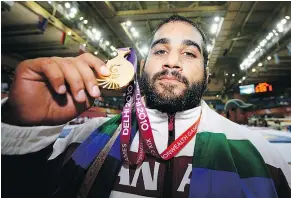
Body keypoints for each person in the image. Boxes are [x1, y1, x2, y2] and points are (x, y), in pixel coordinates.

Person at [2, 15, 291, 198]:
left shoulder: (260, 155)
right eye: (161, 50)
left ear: (207, 76)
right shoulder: (84, 139)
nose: (172, 61)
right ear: (141, 69)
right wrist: (22, 128)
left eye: (189, 53)